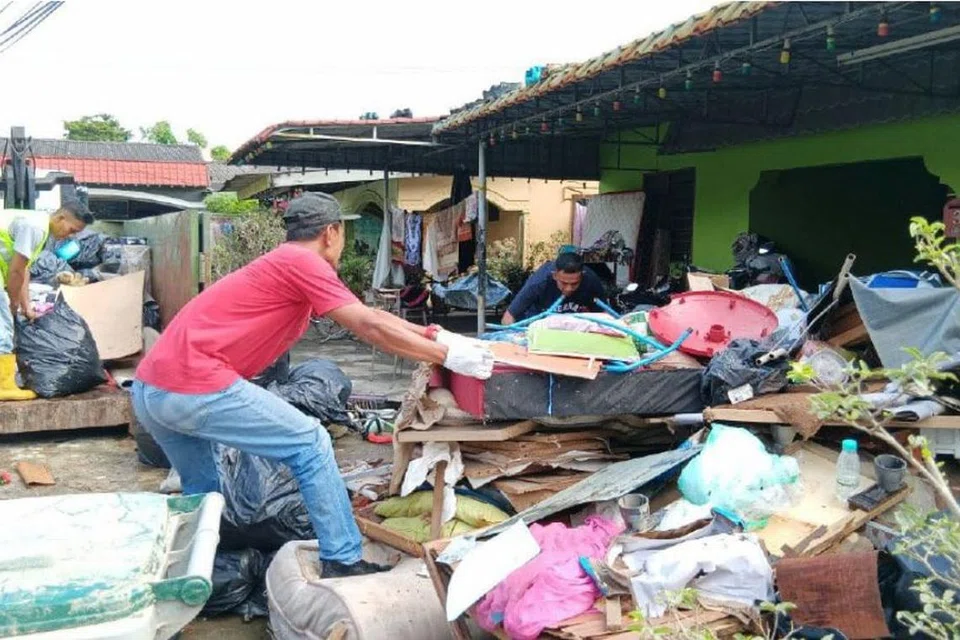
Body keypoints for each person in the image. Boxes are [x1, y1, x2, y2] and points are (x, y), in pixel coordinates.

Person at [131, 192, 494, 577]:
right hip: (194, 384)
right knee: (310, 443)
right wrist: (447, 358)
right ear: (331, 232)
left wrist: (434, 335)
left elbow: (368, 313)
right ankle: (342, 558)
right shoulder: (303, 262)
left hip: (150, 391)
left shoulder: (286, 261)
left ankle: (196, 572)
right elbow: (367, 326)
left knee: (203, 490)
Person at [0, 199, 94, 401]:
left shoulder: (40, 229)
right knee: (4, 326)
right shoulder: (34, 227)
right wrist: (13, 303)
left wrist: (25, 307)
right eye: (71, 229)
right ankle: (4, 385)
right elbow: (15, 271)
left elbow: (24, 270)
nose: (69, 235)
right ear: (61, 218)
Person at [501, 251, 606, 325]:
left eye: (574, 284)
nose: (569, 288)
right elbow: (509, 316)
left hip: (575, 327)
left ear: (582, 276)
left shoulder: (591, 280)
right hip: (540, 324)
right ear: (554, 275)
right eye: (564, 283)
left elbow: (606, 315)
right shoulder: (539, 283)